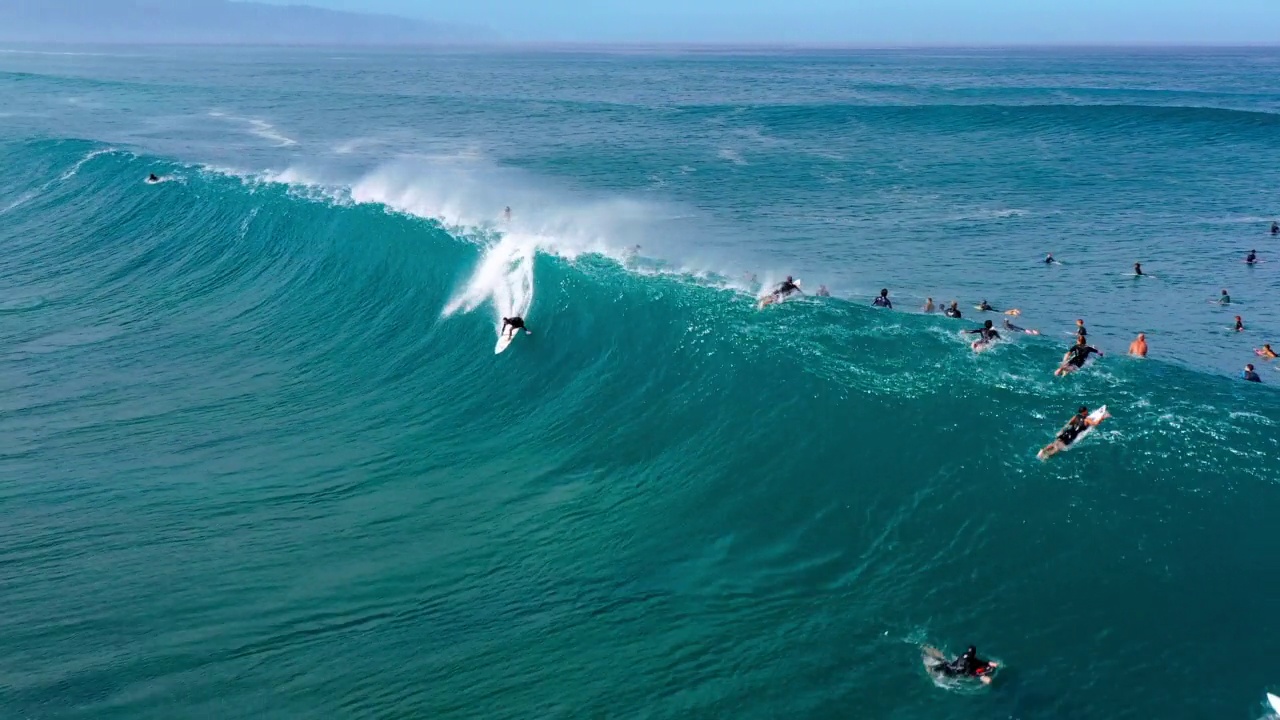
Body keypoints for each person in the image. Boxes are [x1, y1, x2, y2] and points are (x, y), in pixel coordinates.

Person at [928, 646, 998, 684]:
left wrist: (988, 663)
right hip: (956, 672)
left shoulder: (965, 655)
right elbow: (979, 668)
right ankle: (932, 668)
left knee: (944, 663)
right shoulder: (973, 662)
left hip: (952, 667)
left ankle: (929, 653)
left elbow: (980, 663)